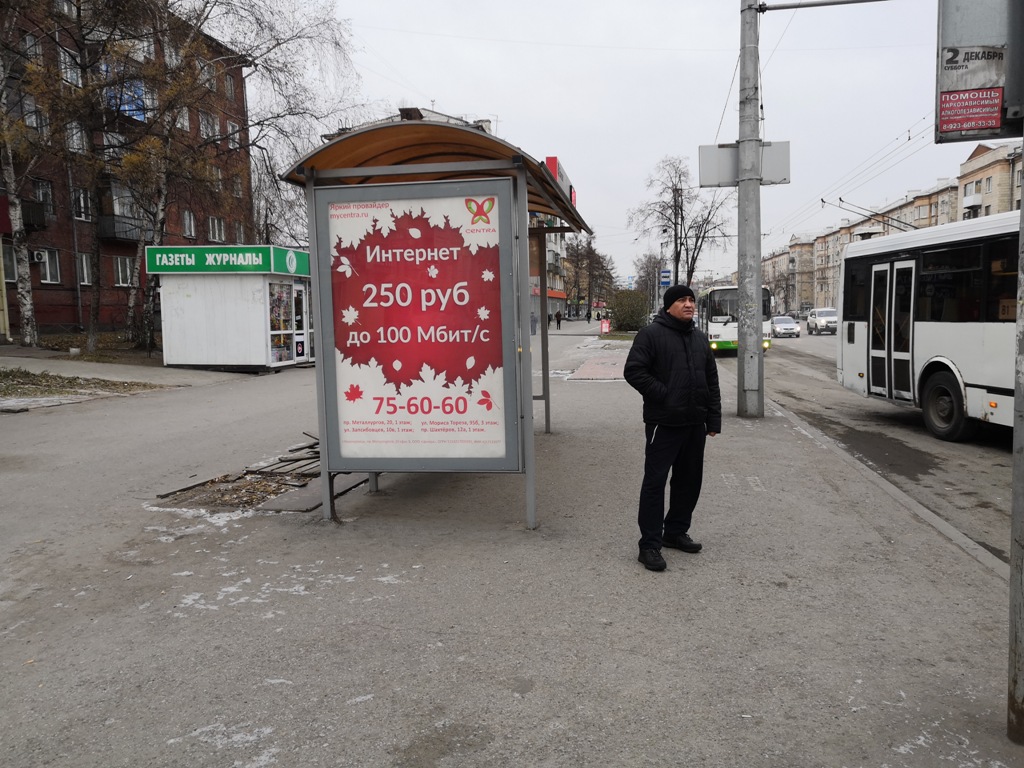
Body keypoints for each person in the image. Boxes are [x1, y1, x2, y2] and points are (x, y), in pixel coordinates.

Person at [623, 284, 722, 572]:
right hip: (663, 424)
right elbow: (634, 371)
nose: (689, 304)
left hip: (694, 423)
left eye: (691, 300)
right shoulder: (650, 335)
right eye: (682, 300)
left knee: (689, 481)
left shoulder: (700, 339)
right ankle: (649, 545)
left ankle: (675, 532)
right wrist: (666, 395)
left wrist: (712, 419)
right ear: (669, 306)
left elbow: (712, 382)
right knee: (655, 484)